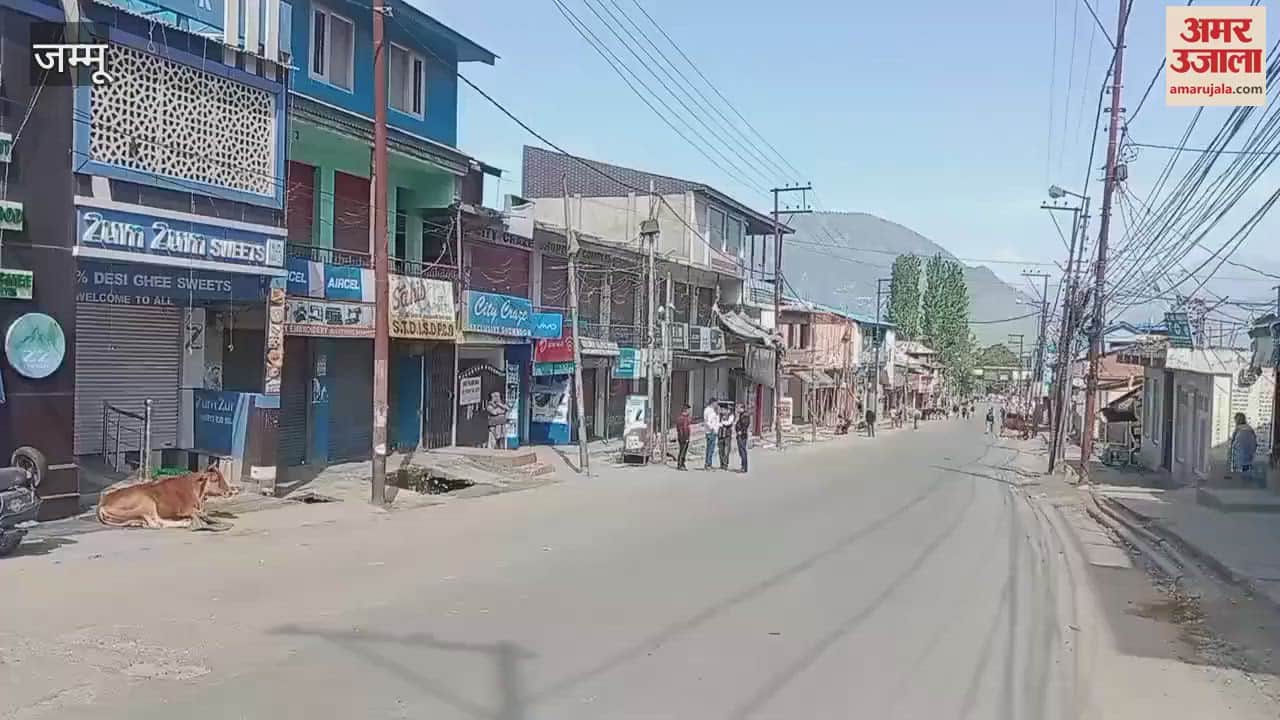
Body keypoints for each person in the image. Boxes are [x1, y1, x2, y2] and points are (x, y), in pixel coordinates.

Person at [1231, 413, 1259, 487]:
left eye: (1236, 419)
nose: (1235, 421)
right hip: (1248, 455)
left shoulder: (1239, 429)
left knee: (1239, 474)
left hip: (1239, 455)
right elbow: (1254, 443)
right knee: (1246, 469)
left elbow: (1234, 443)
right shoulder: (1250, 429)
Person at [703, 399, 720, 470]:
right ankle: (708, 464)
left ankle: (708, 463)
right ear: (712, 403)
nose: (717, 405)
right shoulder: (709, 411)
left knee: (710, 449)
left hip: (710, 431)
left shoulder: (710, 410)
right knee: (710, 449)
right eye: (716, 403)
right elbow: (708, 421)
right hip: (711, 432)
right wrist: (712, 428)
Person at [675, 404, 692, 470]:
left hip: (680, 436)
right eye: (689, 410)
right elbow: (685, 429)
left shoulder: (679, 418)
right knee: (683, 451)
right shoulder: (684, 418)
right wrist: (686, 438)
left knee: (681, 451)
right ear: (686, 410)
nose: (689, 411)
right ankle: (680, 464)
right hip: (684, 437)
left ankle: (681, 464)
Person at [735, 407, 751, 472]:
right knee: (741, 451)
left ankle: (744, 467)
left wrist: (741, 431)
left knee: (742, 451)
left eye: (739, 408)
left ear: (743, 408)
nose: (738, 409)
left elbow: (745, 425)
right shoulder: (741, 415)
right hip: (741, 435)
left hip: (742, 435)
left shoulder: (745, 416)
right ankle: (743, 466)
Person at [718, 404, 734, 470]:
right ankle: (721, 463)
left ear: (727, 410)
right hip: (720, 434)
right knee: (720, 450)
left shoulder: (731, 415)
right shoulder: (719, 416)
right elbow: (716, 423)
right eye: (721, 409)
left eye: (723, 409)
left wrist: (722, 423)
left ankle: (725, 464)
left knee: (726, 450)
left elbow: (729, 423)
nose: (722, 411)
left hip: (727, 435)